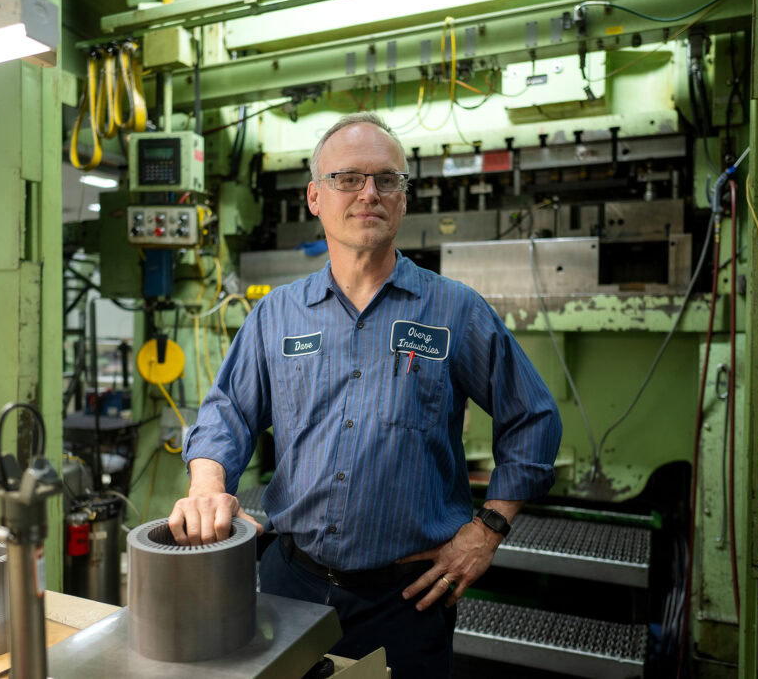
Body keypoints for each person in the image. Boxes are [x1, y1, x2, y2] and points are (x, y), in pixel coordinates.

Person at [169, 112, 561, 678]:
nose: (368, 193)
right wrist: (207, 484)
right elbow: (227, 412)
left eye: (387, 180)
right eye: (347, 179)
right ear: (314, 197)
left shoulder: (455, 310)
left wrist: (488, 529)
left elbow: (535, 418)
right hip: (288, 584)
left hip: (406, 601)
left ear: (404, 200)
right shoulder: (276, 314)